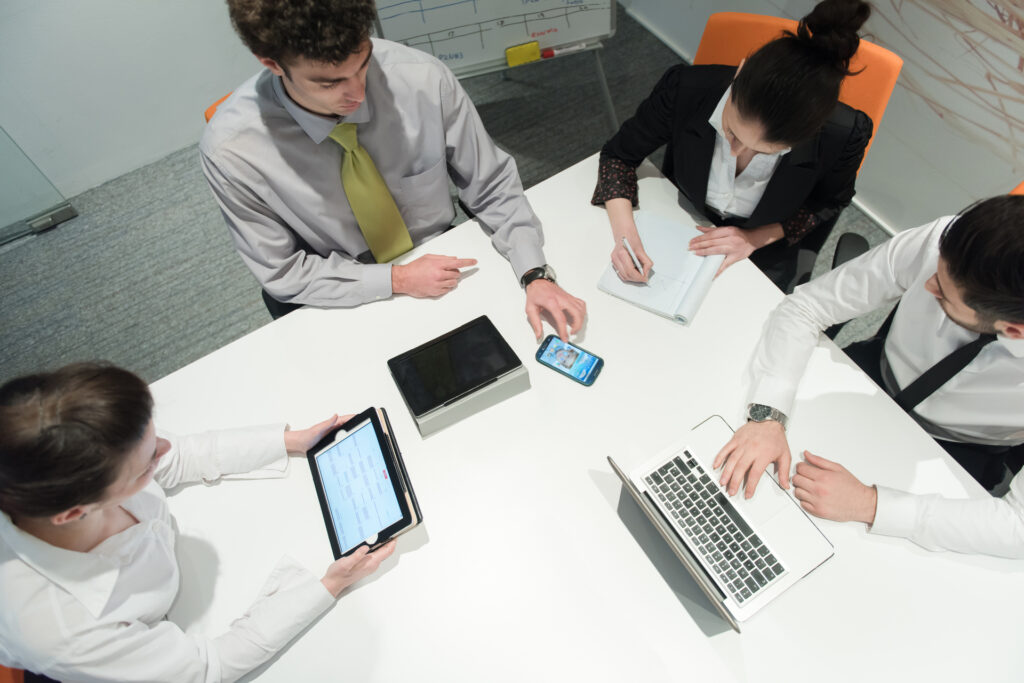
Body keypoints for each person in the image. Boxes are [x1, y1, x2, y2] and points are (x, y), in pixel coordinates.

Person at [200, 0, 585, 341]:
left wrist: (535, 273)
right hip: (340, 287)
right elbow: (282, 272)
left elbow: (492, 185)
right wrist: (397, 280)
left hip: (439, 257)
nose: (358, 94)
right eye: (330, 83)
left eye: (363, 63)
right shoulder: (233, 152)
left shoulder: (420, 78)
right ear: (271, 63)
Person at [0, 363, 395, 681]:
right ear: (74, 512)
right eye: (146, 464)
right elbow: (208, 667)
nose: (165, 450)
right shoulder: (66, 630)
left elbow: (181, 455)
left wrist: (291, 440)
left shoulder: (83, 453)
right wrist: (329, 585)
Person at [713, 195, 1024, 558]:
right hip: (874, 374)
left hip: (960, 447)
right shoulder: (944, 240)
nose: (927, 285)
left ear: (1014, 330)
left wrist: (871, 505)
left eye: (942, 295)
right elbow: (807, 306)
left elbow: (1017, 527)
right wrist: (769, 415)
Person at [592, 0, 873, 291]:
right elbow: (619, 155)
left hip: (766, 248)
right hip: (683, 218)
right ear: (740, 72)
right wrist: (626, 239)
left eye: (766, 151)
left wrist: (757, 237)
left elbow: (830, 201)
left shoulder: (843, 134)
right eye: (731, 132)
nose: (736, 152)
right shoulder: (686, 89)